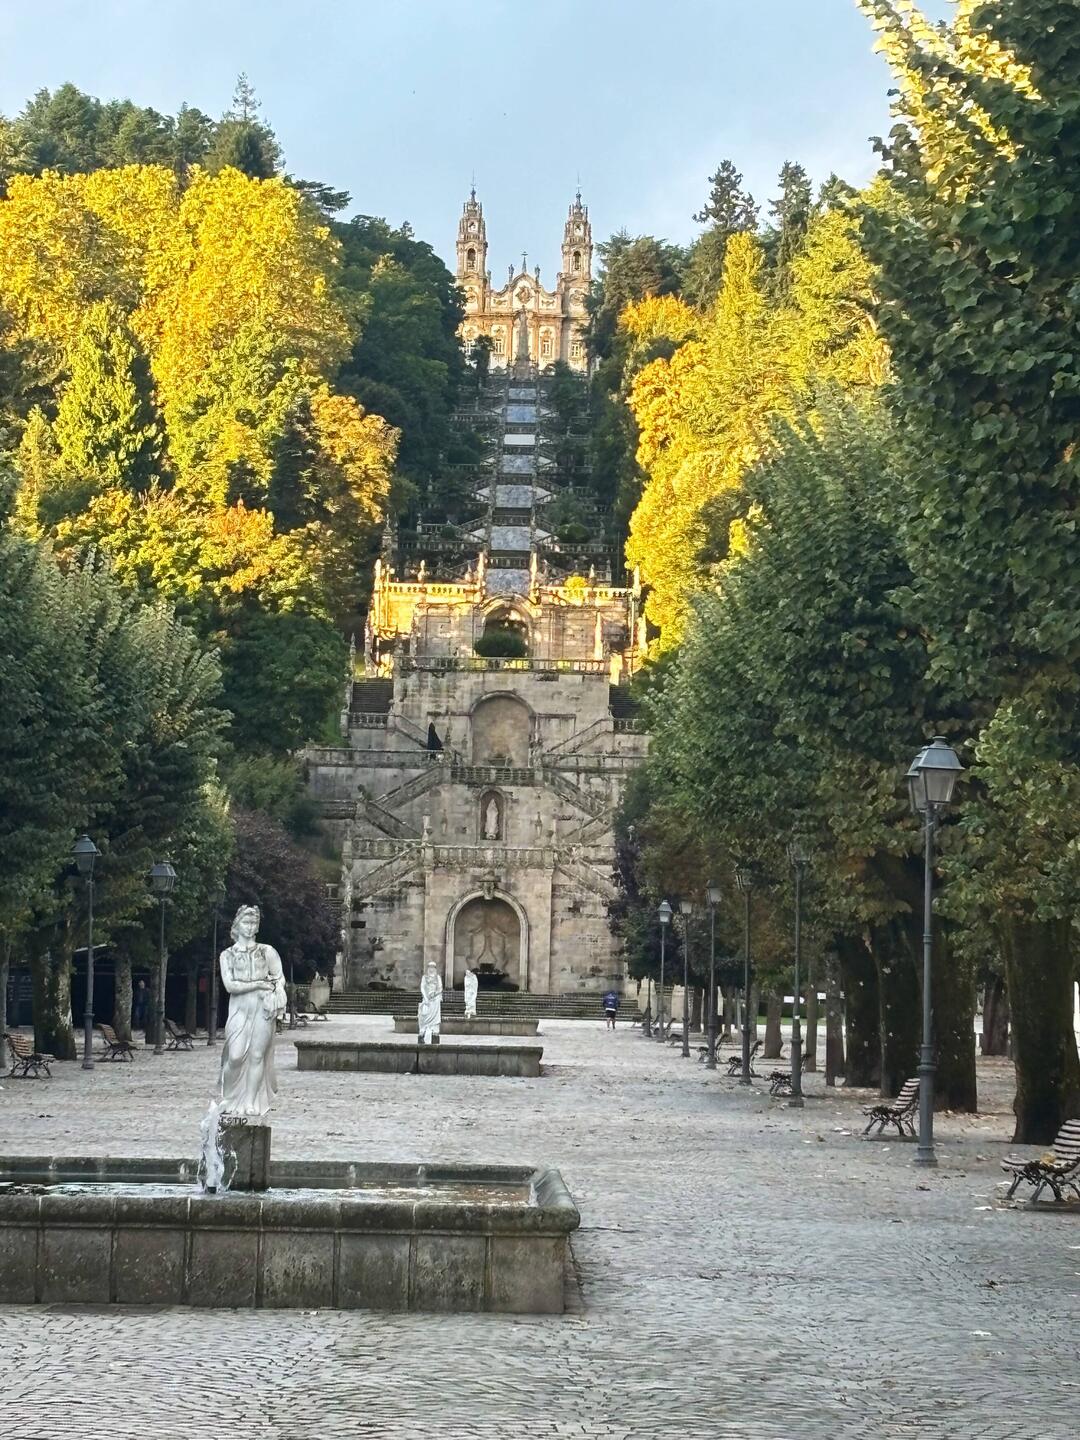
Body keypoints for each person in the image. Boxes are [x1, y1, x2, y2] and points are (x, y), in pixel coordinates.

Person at [218, 904, 287, 1117]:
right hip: (239, 1007)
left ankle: (249, 1101)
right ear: (236, 925)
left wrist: (276, 990)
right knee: (236, 1055)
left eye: (253, 923)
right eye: (246, 923)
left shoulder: (266, 951)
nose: (250, 927)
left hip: (262, 1007)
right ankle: (229, 1097)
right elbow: (230, 986)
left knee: (257, 1056)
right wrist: (258, 984)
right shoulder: (227, 955)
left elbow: (279, 978)